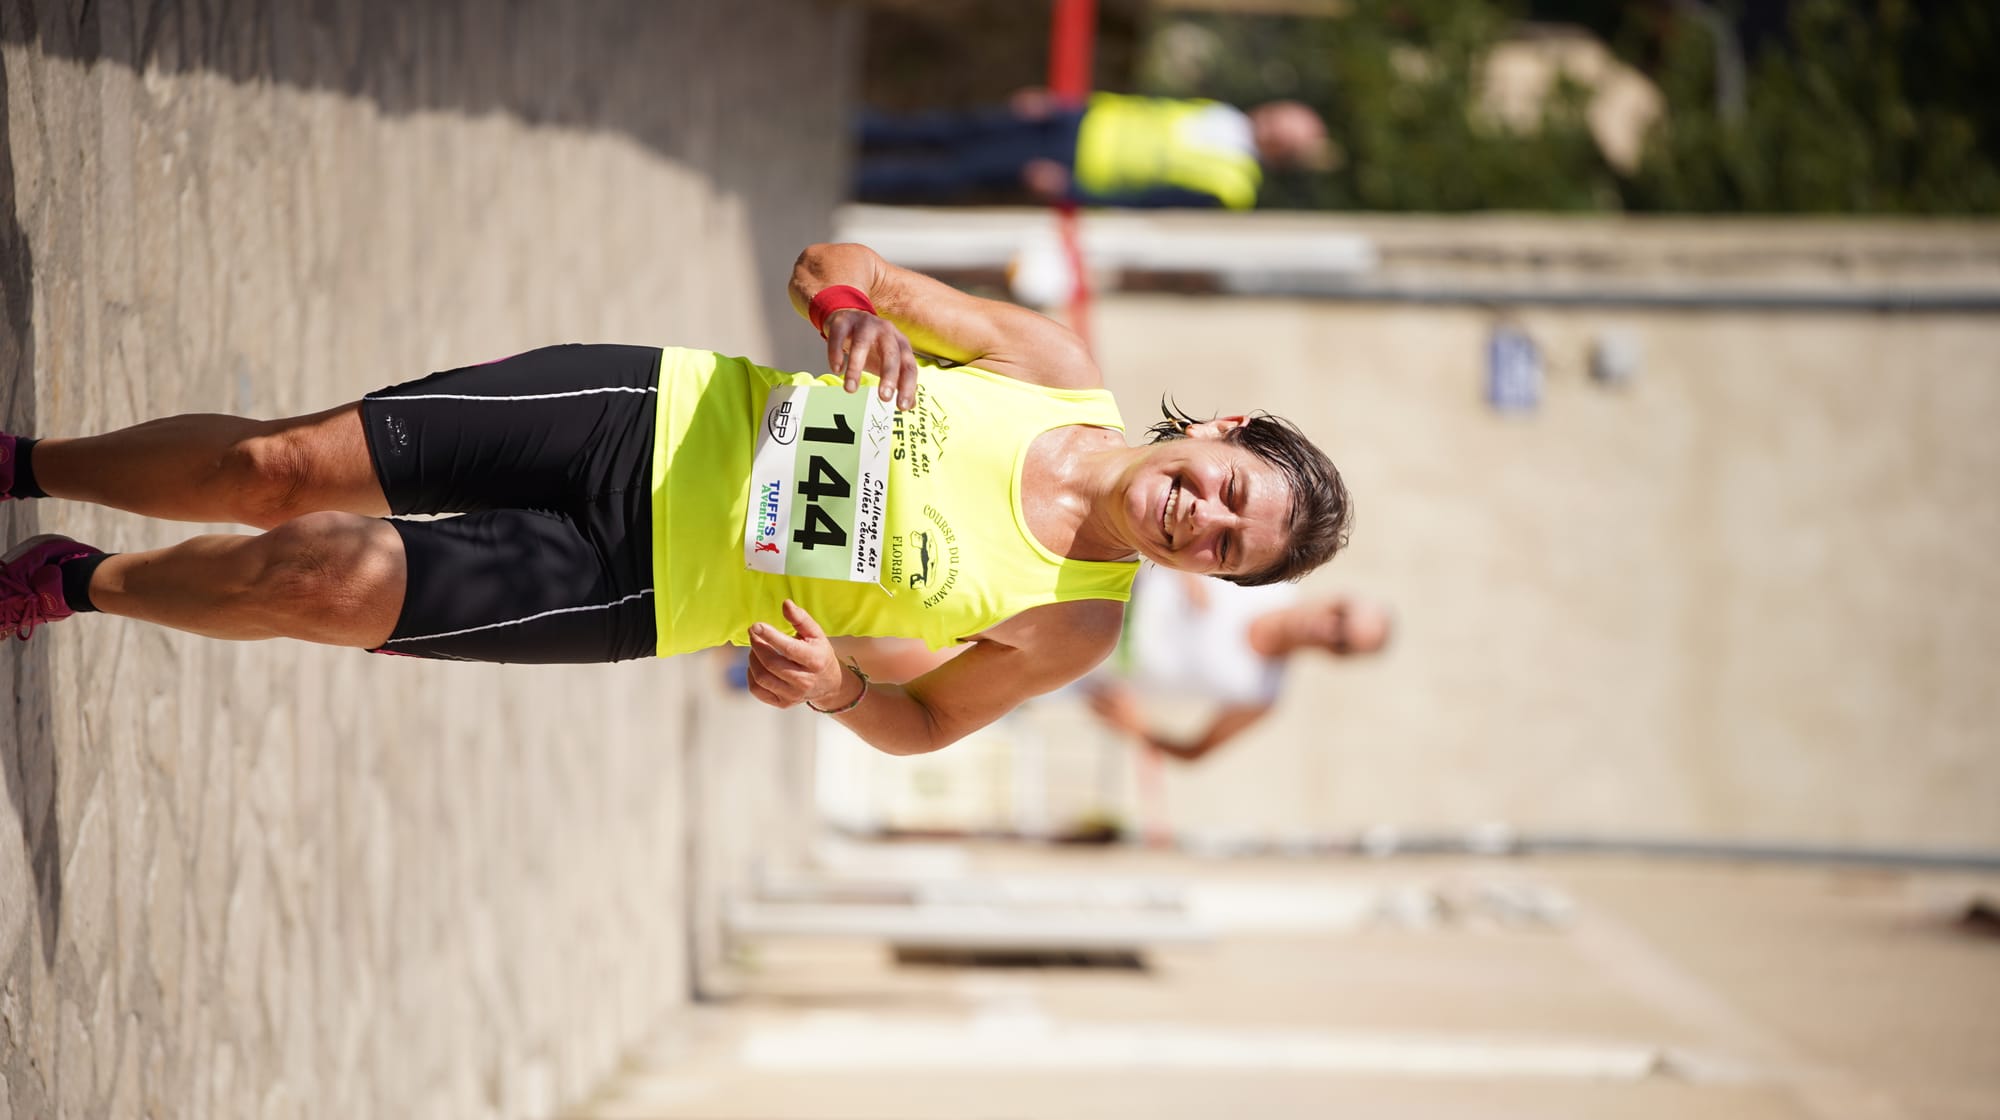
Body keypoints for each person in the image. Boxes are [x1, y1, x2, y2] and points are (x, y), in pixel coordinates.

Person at [1, 242, 1351, 755]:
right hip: (643, 413)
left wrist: (837, 689)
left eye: (1229, 550)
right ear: (1219, 430)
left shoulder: (1076, 623)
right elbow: (837, 263)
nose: (1203, 520)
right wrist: (851, 314)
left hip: (643, 589)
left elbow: (932, 720)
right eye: (1228, 490)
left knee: (319, 580)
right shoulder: (1049, 367)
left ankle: (71, 581)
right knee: (272, 472)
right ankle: (29, 463)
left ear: (1214, 581)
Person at [1085, 565, 1392, 761]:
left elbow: (1196, 751)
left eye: (1341, 642)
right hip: (1094, 584)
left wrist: (1140, 728)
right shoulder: (1272, 573)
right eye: (1340, 616)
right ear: (1337, 596)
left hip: (1084, 670)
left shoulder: (1261, 694)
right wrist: (1184, 569)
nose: (1326, 630)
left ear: (1338, 657)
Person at [856, 92, 1331, 210]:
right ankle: (864, 131)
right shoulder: (1224, 113)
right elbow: (1141, 110)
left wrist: (1071, 190)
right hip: (1076, 121)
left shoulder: (1232, 186)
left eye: (1281, 126)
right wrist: (1067, 105)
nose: (1270, 118)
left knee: (959, 171)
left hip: (1070, 162)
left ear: (1282, 148)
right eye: (1279, 112)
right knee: (959, 128)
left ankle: (861, 179)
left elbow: (1145, 201)